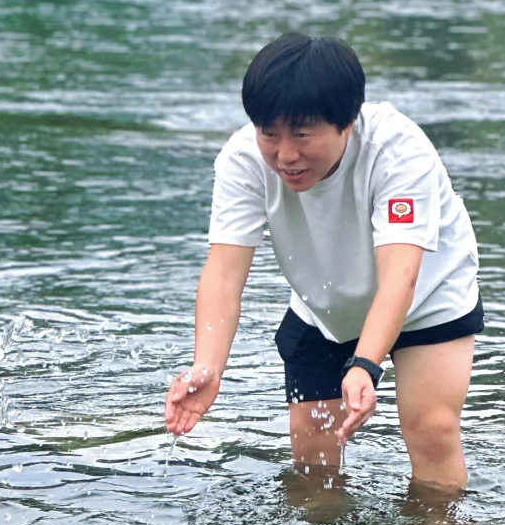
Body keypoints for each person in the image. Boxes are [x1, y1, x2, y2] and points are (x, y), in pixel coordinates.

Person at [164, 33, 481, 491]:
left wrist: (365, 365)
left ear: (347, 122)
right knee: (312, 451)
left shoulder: (398, 151)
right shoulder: (242, 159)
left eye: (302, 133)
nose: (285, 154)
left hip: (427, 297)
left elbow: (401, 276)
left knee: (430, 429)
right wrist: (207, 366)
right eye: (269, 132)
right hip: (325, 302)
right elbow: (224, 272)